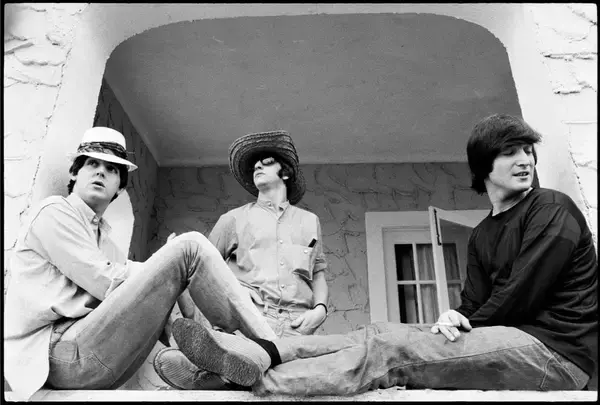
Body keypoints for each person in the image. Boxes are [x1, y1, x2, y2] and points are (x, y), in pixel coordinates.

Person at [171, 114, 598, 395]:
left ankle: (243, 384)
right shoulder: (484, 233)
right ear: (483, 164)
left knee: (391, 348)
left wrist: (458, 326)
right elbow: (474, 305)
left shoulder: (551, 208)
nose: (525, 160)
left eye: (528, 151)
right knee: (374, 333)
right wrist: (455, 317)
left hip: (554, 354)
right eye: (510, 152)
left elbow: (522, 292)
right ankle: (260, 355)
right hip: (506, 339)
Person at [3, 127, 277, 400]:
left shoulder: (108, 244)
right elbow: (105, 281)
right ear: (74, 173)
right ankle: (274, 350)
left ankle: (211, 358)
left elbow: (136, 297)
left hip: (97, 356)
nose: (100, 172)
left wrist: (170, 284)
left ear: (120, 187)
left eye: (111, 169)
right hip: (57, 356)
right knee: (190, 246)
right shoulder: (54, 212)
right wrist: (166, 264)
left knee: (174, 276)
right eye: (92, 164)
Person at [154, 130, 329, 390]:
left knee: (291, 385)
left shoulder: (310, 221)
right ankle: (216, 366)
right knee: (258, 372)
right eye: (254, 164)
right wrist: (225, 294)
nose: (257, 165)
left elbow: (318, 274)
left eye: (266, 161)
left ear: (286, 172)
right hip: (249, 323)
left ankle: (210, 376)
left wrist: (321, 310)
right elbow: (201, 273)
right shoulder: (232, 220)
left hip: (298, 326)